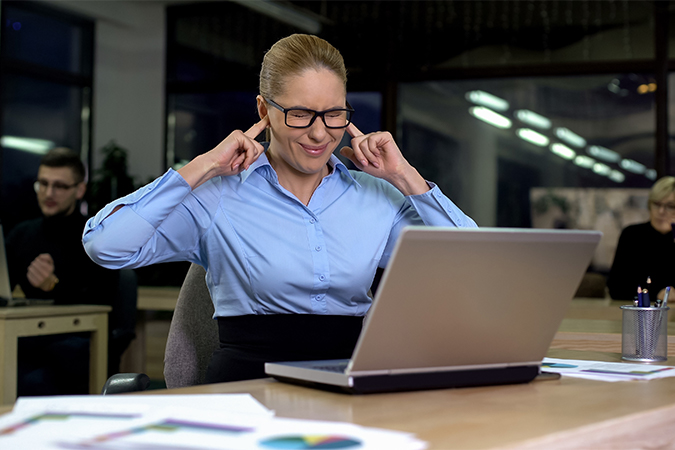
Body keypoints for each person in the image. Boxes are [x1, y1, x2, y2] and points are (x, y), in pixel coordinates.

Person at [83, 34, 477, 383]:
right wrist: (203, 166)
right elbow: (106, 245)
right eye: (301, 114)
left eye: (334, 114)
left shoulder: (377, 197)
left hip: (353, 383)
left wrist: (406, 178)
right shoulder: (219, 195)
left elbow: (475, 264)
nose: (320, 132)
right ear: (263, 111)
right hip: (248, 387)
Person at [5, 147, 119, 395]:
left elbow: (103, 304)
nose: (48, 193)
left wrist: (54, 286)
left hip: (77, 342)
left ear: (79, 190)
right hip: (29, 337)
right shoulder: (21, 235)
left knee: (32, 378)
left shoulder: (96, 238)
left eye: (59, 186)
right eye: (43, 184)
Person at [607, 176, 675, 301]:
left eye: (670, 206)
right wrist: (656, 294)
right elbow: (616, 288)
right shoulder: (632, 235)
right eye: (656, 204)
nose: (661, 211)